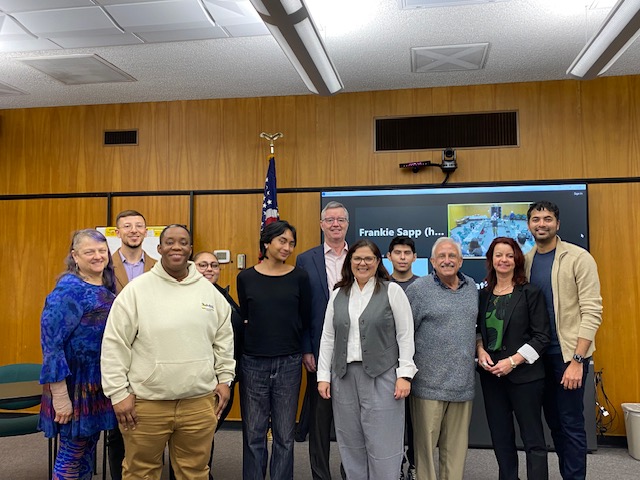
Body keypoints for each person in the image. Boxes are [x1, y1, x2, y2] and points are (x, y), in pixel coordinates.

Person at [101, 224, 235, 480]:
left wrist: (225, 379)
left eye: (183, 242)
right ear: (159, 248)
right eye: (170, 242)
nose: (177, 247)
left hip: (198, 402)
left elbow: (224, 340)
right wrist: (118, 393)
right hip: (146, 404)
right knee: (141, 472)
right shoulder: (136, 291)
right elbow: (115, 344)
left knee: (194, 472)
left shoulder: (210, 293)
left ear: (190, 249)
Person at [317, 239, 416, 480]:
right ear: (350, 262)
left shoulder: (392, 291)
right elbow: (328, 338)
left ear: (378, 261)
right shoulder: (338, 293)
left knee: (383, 443)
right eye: (357, 258)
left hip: (382, 377)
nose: (363, 263)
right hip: (344, 377)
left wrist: (404, 375)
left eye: (368, 258)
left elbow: (405, 334)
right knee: (351, 443)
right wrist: (323, 377)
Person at [525, 201, 603, 480]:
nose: (541, 224)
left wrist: (578, 360)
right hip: (538, 357)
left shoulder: (579, 258)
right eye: (536, 219)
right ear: (529, 225)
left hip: (568, 357)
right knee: (554, 424)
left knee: (571, 423)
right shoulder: (528, 259)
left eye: (547, 219)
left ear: (557, 224)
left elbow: (592, 311)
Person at [39, 229, 118, 479]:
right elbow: (51, 345)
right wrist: (60, 395)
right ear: (75, 256)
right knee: (72, 454)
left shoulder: (105, 285)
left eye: (102, 250)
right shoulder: (68, 290)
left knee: (87, 451)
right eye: (89, 251)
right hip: (74, 387)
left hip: (97, 383)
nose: (97, 256)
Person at [237, 220, 312, 480]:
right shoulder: (245, 277)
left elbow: (304, 319)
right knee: (253, 435)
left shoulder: (300, 277)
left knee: (284, 436)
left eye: (291, 243)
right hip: (253, 363)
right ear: (266, 242)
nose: (287, 247)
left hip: (288, 363)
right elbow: (246, 318)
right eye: (282, 241)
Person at [476, 237, 550, 480]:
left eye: (509, 255)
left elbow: (541, 337)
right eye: (499, 255)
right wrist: (480, 349)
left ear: (516, 259)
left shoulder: (530, 293)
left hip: (525, 377)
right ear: (491, 259)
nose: (504, 260)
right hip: (492, 378)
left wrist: (513, 361)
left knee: (533, 439)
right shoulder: (484, 294)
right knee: (501, 437)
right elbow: (478, 330)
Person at [405, 237, 478, 480]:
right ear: (433, 261)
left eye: (452, 256)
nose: (447, 261)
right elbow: (404, 335)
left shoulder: (472, 288)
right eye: (442, 257)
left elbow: (475, 330)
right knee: (425, 454)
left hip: (462, 385)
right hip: (427, 386)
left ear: (461, 260)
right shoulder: (418, 290)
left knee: (456, 453)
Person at [295, 201, 349, 480]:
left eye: (340, 219)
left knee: (351, 421)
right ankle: (320, 474)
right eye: (330, 220)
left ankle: (350, 472)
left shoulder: (360, 257)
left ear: (347, 224)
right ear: (321, 225)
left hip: (355, 350)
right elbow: (301, 309)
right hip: (318, 349)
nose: (335, 224)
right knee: (319, 419)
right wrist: (306, 348)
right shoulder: (306, 259)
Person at [107, 209, 157, 480]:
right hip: (116, 350)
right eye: (127, 226)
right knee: (117, 428)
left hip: (149, 352)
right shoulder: (104, 266)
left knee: (148, 425)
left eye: (139, 226)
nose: (134, 230)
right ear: (118, 232)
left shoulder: (159, 266)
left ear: (146, 232)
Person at [187, 251, 244, 480]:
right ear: (192, 267)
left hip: (226, 377)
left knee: (206, 432)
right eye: (203, 265)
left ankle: (201, 472)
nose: (209, 269)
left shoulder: (222, 295)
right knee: (198, 433)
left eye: (213, 265)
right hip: (202, 379)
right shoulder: (187, 296)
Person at [386, 235, 419, 480]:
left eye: (407, 253)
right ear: (389, 257)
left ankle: (415, 465)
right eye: (397, 253)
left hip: (418, 365)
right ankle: (394, 465)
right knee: (391, 422)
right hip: (387, 365)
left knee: (415, 422)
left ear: (414, 257)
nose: (402, 257)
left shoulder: (424, 285)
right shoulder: (381, 285)